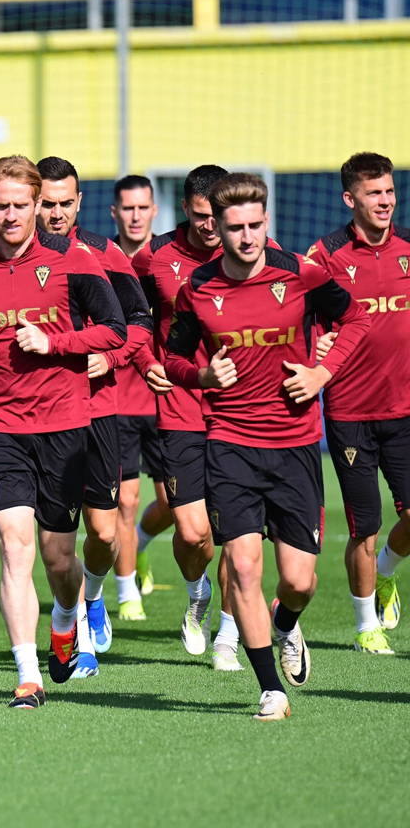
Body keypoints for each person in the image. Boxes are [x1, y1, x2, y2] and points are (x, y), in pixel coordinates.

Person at [165, 172, 370, 719]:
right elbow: (174, 360)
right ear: (217, 227)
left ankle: (286, 623)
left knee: (299, 581)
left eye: (256, 225)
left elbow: (356, 318)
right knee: (244, 568)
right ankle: (269, 689)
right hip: (229, 443)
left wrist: (322, 372)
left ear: (266, 222)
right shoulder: (198, 288)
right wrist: (203, 378)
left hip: (297, 445)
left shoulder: (301, 274)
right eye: (236, 227)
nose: (247, 237)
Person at [0, 155, 126, 710]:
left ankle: (66, 617)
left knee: (56, 557)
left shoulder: (73, 260)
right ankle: (28, 676)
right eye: (0, 206)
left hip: (65, 424)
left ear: (35, 204)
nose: (10, 215)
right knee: (14, 546)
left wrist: (57, 345)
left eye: (20, 205)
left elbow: (115, 329)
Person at [35, 158, 152, 678]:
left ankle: (97, 595)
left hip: (100, 409)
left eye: (65, 203)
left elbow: (140, 320)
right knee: (55, 541)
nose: (56, 213)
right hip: (39, 416)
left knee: (104, 535)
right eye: (47, 203)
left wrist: (114, 357)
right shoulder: (14, 260)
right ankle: (77, 636)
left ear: (80, 203)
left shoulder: (102, 255)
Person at [133, 165, 242, 671]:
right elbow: (125, 319)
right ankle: (198, 592)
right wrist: (145, 363)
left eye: (217, 216)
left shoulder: (252, 250)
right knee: (195, 532)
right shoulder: (153, 257)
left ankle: (229, 636)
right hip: (178, 406)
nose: (212, 227)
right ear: (186, 209)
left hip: (241, 412)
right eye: (201, 217)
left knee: (238, 537)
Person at [309, 152, 410, 654]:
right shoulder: (325, 256)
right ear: (351, 199)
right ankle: (366, 625)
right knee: (364, 526)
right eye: (375, 193)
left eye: (390, 191)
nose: (386, 201)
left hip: (406, 411)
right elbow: (293, 317)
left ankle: (388, 572)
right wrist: (316, 345)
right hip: (349, 414)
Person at [109, 175, 172, 616]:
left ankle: (142, 545)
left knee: (174, 500)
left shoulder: (167, 261)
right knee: (125, 501)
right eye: (127, 208)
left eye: (142, 208)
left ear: (154, 211)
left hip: (166, 397)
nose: (135, 216)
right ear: (115, 212)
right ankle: (128, 592)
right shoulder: (100, 258)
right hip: (116, 400)